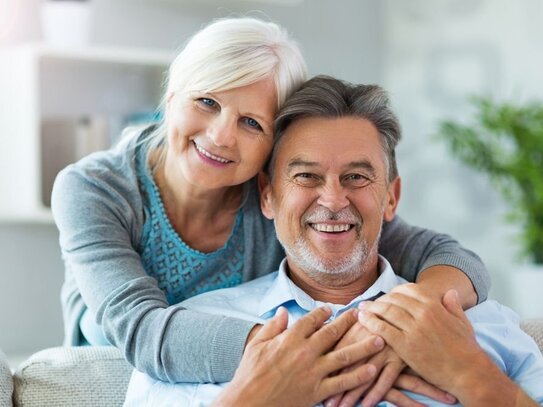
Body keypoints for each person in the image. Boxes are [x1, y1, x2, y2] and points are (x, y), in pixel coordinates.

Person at [51, 16, 490, 393]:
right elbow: (142, 331)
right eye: (207, 101)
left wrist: (417, 323)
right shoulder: (94, 188)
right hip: (117, 367)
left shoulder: (281, 201)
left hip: (239, 369)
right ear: (171, 98)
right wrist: (302, 356)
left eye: (250, 122)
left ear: (274, 145)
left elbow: (451, 259)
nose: (221, 135)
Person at [123, 76, 543, 407]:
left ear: (391, 197)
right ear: (268, 195)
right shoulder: (194, 338)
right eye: (306, 176)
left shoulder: (480, 325)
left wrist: (472, 374)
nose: (333, 200)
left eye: (356, 177)